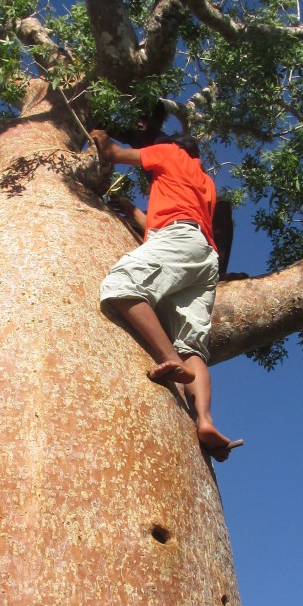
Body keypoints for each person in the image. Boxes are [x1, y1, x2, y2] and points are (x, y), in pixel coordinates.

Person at [91, 128, 243, 462]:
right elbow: (169, 221)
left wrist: (99, 136)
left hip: (180, 241)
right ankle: (205, 420)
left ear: (172, 147)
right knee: (193, 344)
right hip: (204, 256)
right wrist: (130, 209)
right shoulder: (204, 182)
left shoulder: (168, 153)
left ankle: (168, 358)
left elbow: (113, 153)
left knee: (121, 284)